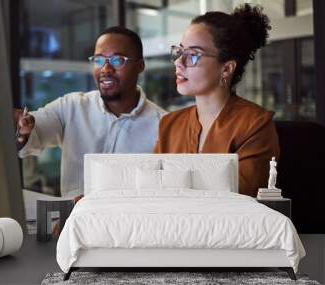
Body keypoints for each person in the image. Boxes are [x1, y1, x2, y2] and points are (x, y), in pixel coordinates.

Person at [15, 26, 166, 198]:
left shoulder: (163, 125)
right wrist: (23, 131)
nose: (106, 69)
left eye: (117, 60)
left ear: (140, 66)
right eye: (99, 60)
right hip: (73, 221)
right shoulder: (71, 106)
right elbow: (35, 132)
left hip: (130, 221)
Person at [154, 4, 279, 197]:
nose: (179, 62)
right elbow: (152, 190)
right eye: (179, 52)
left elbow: (242, 197)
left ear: (227, 69)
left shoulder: (255, 124)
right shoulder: (169, 124)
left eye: (193, 55)